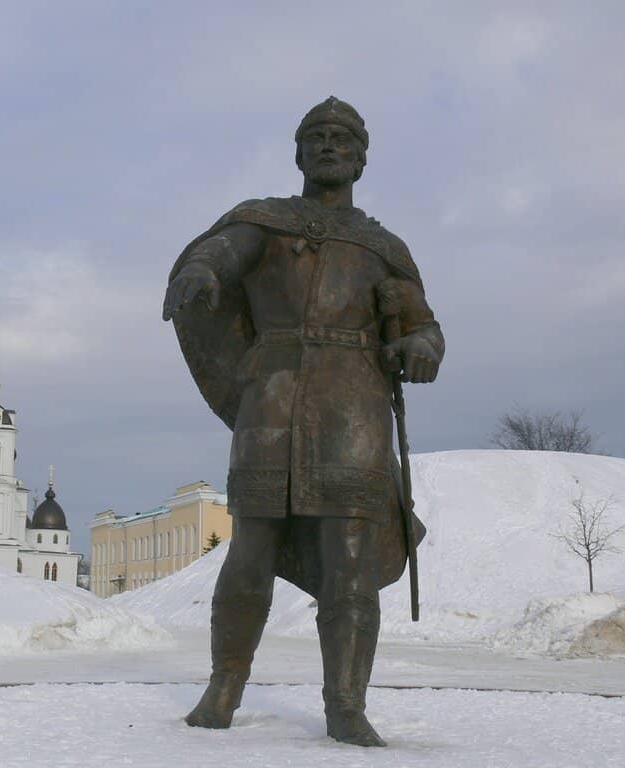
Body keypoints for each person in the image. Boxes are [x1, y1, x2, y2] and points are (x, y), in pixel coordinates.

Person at [162, 97, 444, 747]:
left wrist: (421, 349)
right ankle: (224, 685)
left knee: (348, 557)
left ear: (360, 158)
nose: (327, 145)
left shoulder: (381, 247)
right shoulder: (265, 221)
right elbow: (224, 252)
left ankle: (346, 704)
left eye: (341, 137)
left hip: (354, 406)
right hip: (273, 397)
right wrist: (203, 269)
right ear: (298, 152)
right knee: (251, 547)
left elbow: (419, 324)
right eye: (315, 136)